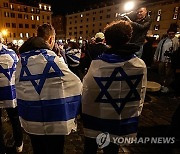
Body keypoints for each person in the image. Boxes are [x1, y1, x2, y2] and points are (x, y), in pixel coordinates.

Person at [82, 20, 147, 154]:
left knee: (90, 146)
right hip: (120, 118)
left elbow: (88, 91)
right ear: (129, 36)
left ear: (107, 39)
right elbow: (141, 92)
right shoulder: (139, 64)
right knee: (112, 148)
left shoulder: (97, 64)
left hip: (98, 117)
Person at [16, 24, 82, 154]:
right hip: (55, 118)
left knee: (37, 149)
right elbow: (76, 84)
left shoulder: (21, 61)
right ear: (51, 39)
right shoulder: (55, 60)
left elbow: (18, 85)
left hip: (31, 118)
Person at [0, 33, 23, 154]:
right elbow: (18, 71)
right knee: (15, 120)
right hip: (11, 93)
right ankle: (19, 144)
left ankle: (1, 148)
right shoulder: (11, 54)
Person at [154, 25, 179, 93]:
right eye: (169, 34)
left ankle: (166, 86)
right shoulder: (163, 40)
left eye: (172, 34)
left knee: (169, 74)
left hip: (171, 61)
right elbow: (158, 49)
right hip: (162, 59)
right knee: (161, 73)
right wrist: (156, 57)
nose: (171, 35)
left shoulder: (176, 41)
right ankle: (162, 85)